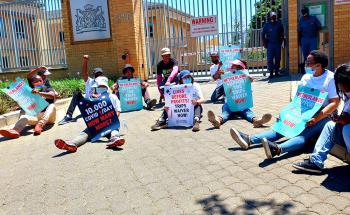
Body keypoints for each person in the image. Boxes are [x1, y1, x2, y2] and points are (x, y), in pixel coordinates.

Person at [230, 51, 340, 160]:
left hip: (324, 114)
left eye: (309, 62)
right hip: (304, 111)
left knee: (303, 134)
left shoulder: (330, 78)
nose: (306, 64)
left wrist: (316, 118)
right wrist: (287, 113)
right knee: (281, 128)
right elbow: (297, 99)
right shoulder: (306, 77)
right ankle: (249, 139)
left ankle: (278, 149)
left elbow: (335, 102)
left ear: (318, 65)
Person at [292, 64, 350, 174]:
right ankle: (316, 162)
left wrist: (345, 120)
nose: (340, 87)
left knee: (347, 129)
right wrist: (340, 118)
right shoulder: (347, 93)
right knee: (330, 125)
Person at [54, 76, 125, 153]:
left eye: (103, 86)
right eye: (99, 86)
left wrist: (110, 120)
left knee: (114, 131)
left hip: (110, 124)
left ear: (106, 87)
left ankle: (114, 139)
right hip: (96, 126)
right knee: (84, 134)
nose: (101, 88)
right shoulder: (91, 99)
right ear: (95, 88)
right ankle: (72, 144)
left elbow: (118, 111)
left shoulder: (112, 97)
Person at [207, 59, 272, 128]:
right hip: (230, 103)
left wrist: (250, 79)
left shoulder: (245, 76)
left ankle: (257, 121)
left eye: (234, 66)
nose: (232, 67)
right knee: (226, 113)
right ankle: (217, 120)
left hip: (242, 103)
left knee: (248, 112)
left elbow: (249, 85)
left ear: (239, 68)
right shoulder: (227, 75)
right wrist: (218, 72)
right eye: (232, 66)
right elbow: (215, 77)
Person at [58, 55, 103, 125]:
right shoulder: (90, 81)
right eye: (97, 74)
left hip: (98, 107)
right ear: (94, 75)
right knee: (76, 93)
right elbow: (84, 73)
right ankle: (68, 116)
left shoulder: (104, 83)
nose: (98, 75)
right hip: (87, 105)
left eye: (100, 74)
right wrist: (85, 61)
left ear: (102, 75)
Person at [262, 12, 284, 78]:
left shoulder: (279, 24)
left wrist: (281, 42)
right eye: (272, 16)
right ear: (270, 17)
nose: (273, 17)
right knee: (270, 59)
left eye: (274, 16)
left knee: (278, 58)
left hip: (277, 44)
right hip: (270, 44)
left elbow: (282, 34)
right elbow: (263, 35)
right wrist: (264, 43)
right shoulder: (266, 25)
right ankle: (271, 73)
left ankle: (277, 72)